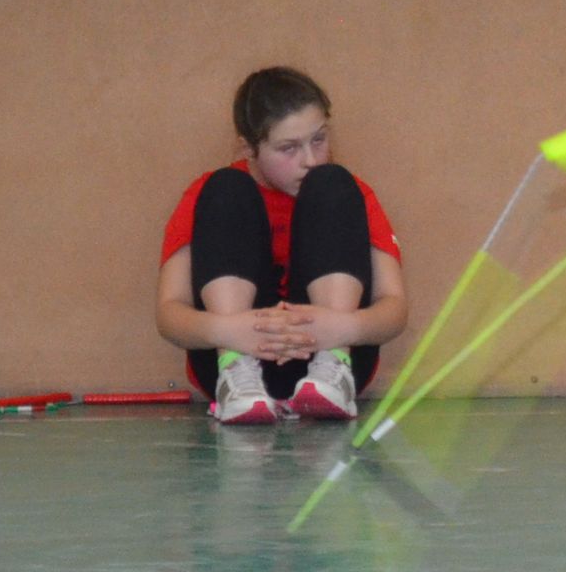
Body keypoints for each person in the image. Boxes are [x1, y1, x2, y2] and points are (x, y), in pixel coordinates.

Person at [155, 66, 409, 425]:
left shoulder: (349, 193)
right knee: (225, 187)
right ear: (248, 147)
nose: (310, 160)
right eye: (288, 148)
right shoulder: (206, 195)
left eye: (319, 139)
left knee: (334, 182)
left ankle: (331, 370)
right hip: (235, 350)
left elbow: (394, 307)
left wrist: (344, 328)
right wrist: (229, 331)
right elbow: (169, 315)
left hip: (332, 347)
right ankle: (237, 375)